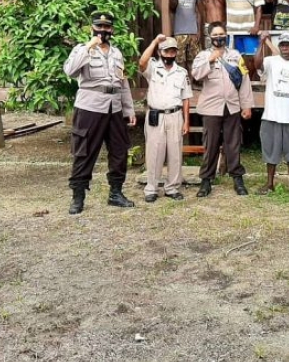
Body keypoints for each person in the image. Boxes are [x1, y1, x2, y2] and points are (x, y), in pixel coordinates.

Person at [64, 12, 137, 214]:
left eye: (107, 27)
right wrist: (89, 46)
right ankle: (78, 196)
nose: (103, 31)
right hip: (90, 107)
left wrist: (129, 109)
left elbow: (123, 83)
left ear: (112, 30)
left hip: (114, 107)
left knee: (119, 151)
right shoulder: (82, 50)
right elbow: (70, 71)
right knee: (84, 151)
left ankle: (116, 193)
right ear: (92, 28)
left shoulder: (117, 53)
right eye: (99, 27)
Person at [191, 21, 254, 198]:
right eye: (215, 35)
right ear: (210, 37)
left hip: (232, 106)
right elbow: (196, 74)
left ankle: (237, 178)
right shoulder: (203, 55)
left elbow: (244, 81)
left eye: (222, 34)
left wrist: (246, 104)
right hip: (211, 108)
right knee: (210, 145)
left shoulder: (235, 55)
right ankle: (206, 180)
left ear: (226, 36)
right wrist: (210, 60)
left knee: (233, 143)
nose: (219, 38)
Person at [138, 35, 193, 203]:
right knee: (154, 152)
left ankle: (172, 187)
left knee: (175, 152)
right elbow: (141, 62)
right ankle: (151, 188)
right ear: (160, 52)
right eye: (166, 51)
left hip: (175, 116)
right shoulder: (153, 68)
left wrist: (186, 121)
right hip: (156, 115)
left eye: (173, 51)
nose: (170, 54)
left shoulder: (181, 73)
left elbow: (186, 98)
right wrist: (154, 42)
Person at [254, 31, 289, 197]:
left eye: (288, 45)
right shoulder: (271, 62)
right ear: (279, 47)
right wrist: (261, 43)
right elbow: (257, 65)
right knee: (270, 151)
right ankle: (269, 183)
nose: (285, 47)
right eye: (282, 45)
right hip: (272, 115)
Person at [169, 0, 205, 75]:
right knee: (180, 61)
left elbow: (199, 13)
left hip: (193, 33)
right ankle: (184, 82)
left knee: (194, 60)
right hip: (179, 33)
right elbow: (172, 7)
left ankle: (193, 83)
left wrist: (198, 30)